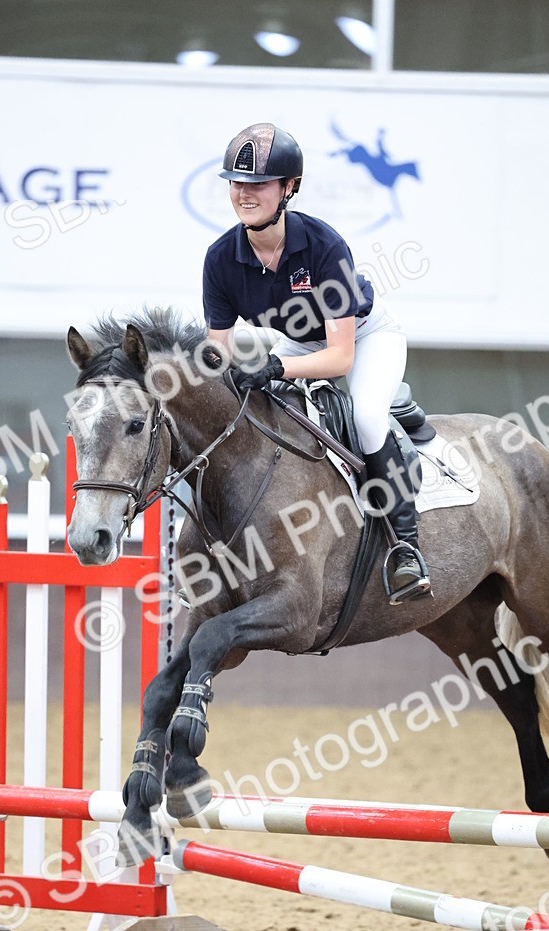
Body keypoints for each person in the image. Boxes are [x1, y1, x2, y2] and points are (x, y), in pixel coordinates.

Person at [202, 121, 430, 601]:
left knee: (367, 417)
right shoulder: (220, 259)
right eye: (236, 184)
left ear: (288, 189)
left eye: (258, 185)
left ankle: (405, 548)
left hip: (367, 338)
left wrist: (275, 368)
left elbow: (341, 356)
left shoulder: (323, 246)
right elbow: (217, 351)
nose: (244, 194)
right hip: (300, 346)